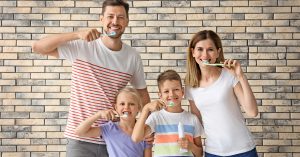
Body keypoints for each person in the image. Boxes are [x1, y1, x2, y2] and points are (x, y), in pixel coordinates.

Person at [32, 0, 150, 156]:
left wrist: (149, 128)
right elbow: (38, 47)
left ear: (127, 21)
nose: (115, 21)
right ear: (101, 19)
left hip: (113, 141)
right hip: (80, 139)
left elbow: (143, 97)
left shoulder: (132, 57)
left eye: (121, 17)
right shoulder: (82, 46)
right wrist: (76, 34)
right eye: (110, 16)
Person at [185, 30, 259, 157]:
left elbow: (252, 112)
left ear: (218, 52)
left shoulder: (229, 75)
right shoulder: (190, 84)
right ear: (193, 52)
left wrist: (241, 76)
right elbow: (196, 121)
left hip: (243, 149)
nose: (205, 54)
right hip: (213, 152)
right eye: (200, 49)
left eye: (210, 49)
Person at [132, 70, 204, 157]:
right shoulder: (156, 117)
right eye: (166, 91)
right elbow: (136, 138)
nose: (172, 94)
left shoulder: (192, 119)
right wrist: (146, 109)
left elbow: (200, 154)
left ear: (182, 92)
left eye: (176, 89)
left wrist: (191, 146)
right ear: (160, 95)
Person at [75, 87, 152, 157]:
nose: (126, 107)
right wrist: (98, 114)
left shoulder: (144, 131)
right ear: (116, 107)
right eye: (122, 104)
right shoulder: (109, 128)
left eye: (131, 104)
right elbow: (80, 132)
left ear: (139, 108)